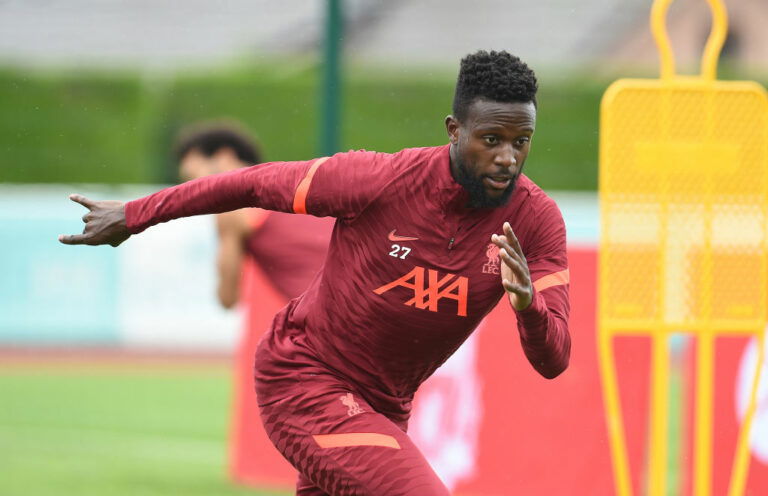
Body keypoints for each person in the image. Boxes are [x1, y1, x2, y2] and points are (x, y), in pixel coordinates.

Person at [60, 50, 571, 496]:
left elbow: (555, 359)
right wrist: (134, 215)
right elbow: (252, 184)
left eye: (521, 141)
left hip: (383, 408)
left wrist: (528, 308)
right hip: (303, 380)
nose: (508, 158)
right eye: (491, 139)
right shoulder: (378, 179)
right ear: (454, 130)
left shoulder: (536, 221)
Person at [172, 121, 334, 305]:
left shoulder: (233, 212)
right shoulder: (294, 182)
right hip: (364, 300)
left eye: (196, 182)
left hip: (332, 317)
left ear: (224, 158)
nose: (194, 195)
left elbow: (227, 298)